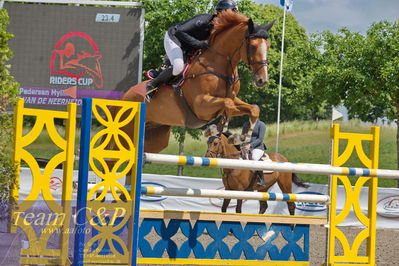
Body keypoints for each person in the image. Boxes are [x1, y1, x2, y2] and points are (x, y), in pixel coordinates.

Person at [145, 0, 238, 102]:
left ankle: (163, 75)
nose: (235, 14)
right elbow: (180, 31)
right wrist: (199, 44)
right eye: (233, 11)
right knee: (178, 67)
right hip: (174, 38)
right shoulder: (203, 20)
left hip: (189, 44)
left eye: (235, 11)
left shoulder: (221, 28)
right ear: (221, 12)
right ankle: (152, 85)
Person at [241, 105, 271, 186]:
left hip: (257, 147)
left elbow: (260, 139)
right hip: (246, 146)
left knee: (254, 158)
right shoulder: (246, 124)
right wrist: (241, 138)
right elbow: (243, 136)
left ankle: (262, 179)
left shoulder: (261, 125)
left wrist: (250, 145)